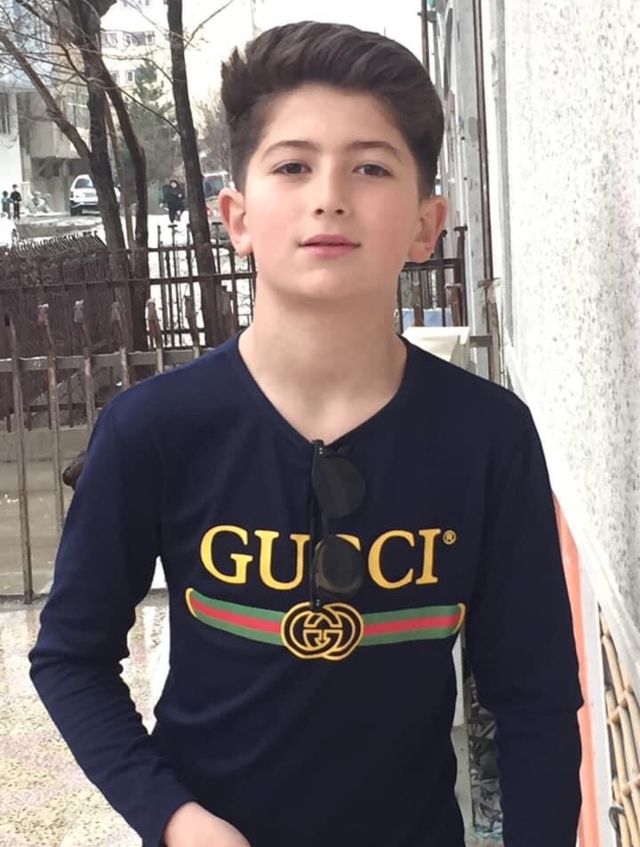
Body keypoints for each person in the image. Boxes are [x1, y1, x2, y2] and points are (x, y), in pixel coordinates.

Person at [29, 21, 582, 847]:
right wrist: (174, 818)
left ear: (426, 223)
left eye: (370, 166)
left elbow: (535, 697)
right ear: (237, 216)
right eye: (293, 165)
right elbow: (70, 657)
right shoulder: (155, 429)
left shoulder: (488, 436)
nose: (330, 195)